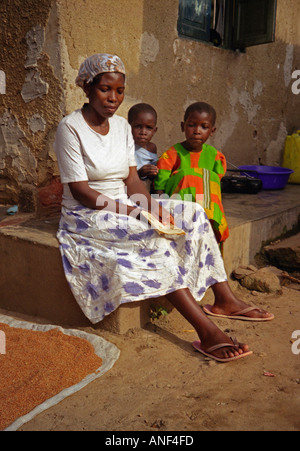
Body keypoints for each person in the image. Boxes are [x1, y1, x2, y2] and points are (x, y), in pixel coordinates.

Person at [54, 53, 274, 364]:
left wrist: (150, 205)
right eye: (105, 89)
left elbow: (132, 178)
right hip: (87, 214)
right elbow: (81, 191)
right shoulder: (70, 128)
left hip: (126, 203)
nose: (113, 98)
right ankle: (207, 330)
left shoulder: (120, 127)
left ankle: (224, 299)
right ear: (87, 88)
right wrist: (135, 213)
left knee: (195, 212)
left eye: (119, 90)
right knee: (151, 233)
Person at [154, 102, 229, 245]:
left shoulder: (214, 156)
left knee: (209, 176)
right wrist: (159, 207)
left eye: (204, 127)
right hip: (179, 201)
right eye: (191, 125)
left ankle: (209, 224)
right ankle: (185, 222)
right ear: (183, 126)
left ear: (212, 131)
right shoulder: (173, 153)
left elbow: (215, 187)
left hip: (204, 206)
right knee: (190, 175)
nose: (197, 131)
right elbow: (160, 182)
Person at [128, 103, 159, 183]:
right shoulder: (125, 146)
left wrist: (152, 172)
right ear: (128, 126)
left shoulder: (152, 147)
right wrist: (139, 173)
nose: (143, 132)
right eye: (138, 126)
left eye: (149, 128)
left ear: (154, 131)